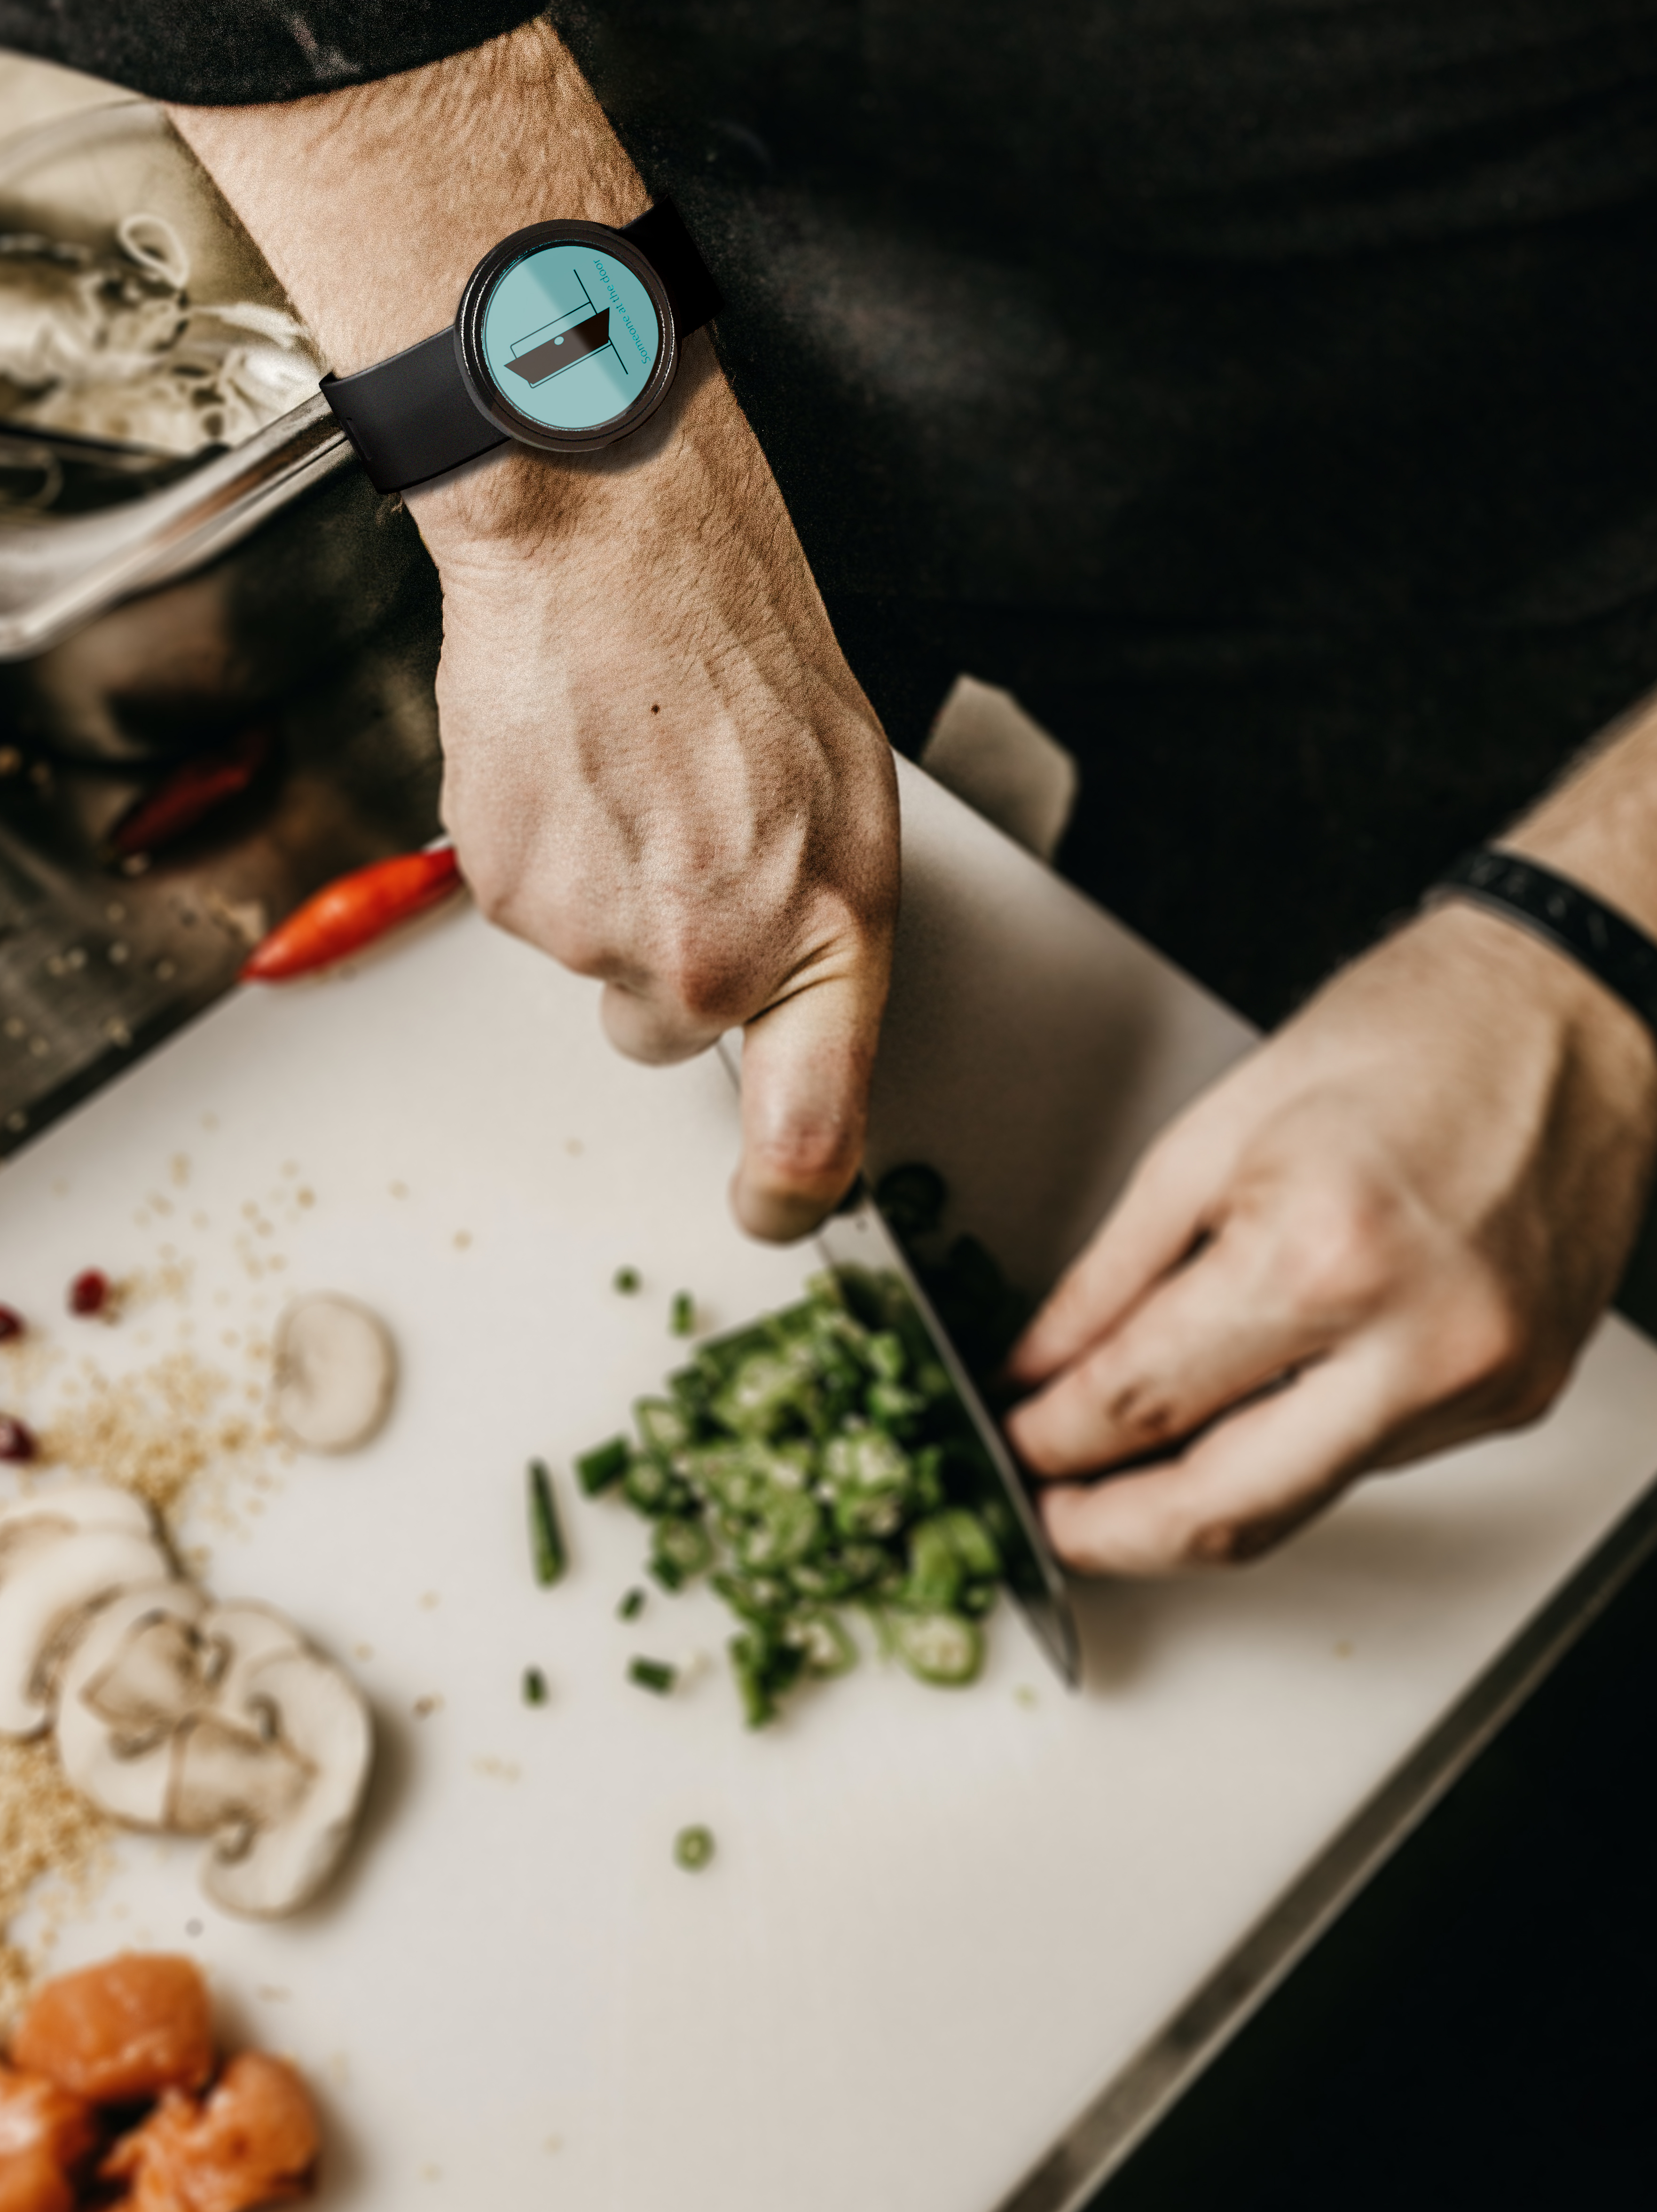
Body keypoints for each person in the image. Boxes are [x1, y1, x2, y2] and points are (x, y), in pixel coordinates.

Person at [8, 3, 1657, 1576]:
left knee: (1305, 1279)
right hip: (639, 185)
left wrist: (1599, 953)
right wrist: (573, 500)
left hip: (1504, 451)